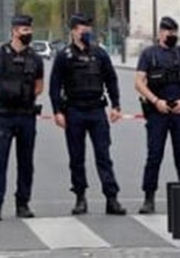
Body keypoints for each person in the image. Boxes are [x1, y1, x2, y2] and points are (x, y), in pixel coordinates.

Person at [49, 14, 127, 216]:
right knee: (76, 158)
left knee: (104, 156)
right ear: (74, 31)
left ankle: (111, 198)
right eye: (83, 29)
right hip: (74, 110)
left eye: (89, 28)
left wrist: (116, 105)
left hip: (96, 110)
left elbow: (111, 80)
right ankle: (80, 197)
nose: (87, 32)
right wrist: (57, 111)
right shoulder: (64, 56)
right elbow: (55, 86)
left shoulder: (99, 54)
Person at [0, 14, 45, 221]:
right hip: (4, 116)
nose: (29, 33)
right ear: (15, 31)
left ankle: (23, 203)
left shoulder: (35, 58)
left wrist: (25, 98)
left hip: (26, 115)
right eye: (25, 30)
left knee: (26, 162)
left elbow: (39, 86)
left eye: (30, 30)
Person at [134, 16, 180, 214]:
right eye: (169, 32)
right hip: (158, 112)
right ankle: (149, 198)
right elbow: (139, 82)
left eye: (174, 32)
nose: (172, 35)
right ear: (161, 32)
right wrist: (156, 101)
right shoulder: (149, 54)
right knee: (154, 156)